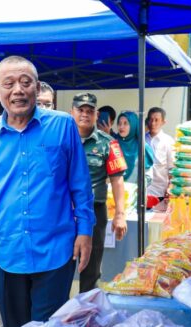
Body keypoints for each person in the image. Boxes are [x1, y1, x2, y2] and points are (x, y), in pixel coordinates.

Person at [0, 56, 95, 327]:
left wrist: (85, 231)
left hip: (56, 250)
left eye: (25, 82)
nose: (18, 90)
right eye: (8, 84)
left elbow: (80, 185)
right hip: (9, 252)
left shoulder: (63, 126)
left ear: (37, 87)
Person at [70, 93, 127, 292]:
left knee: (91, 266)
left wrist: (120, 215)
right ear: (72, 112)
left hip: (95, 210)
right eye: (81, 110)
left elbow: (117, 180)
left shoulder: (108, 142)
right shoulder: (61, 138)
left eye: (90, 111)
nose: (85, 114)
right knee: (62, 263)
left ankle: (87, 312)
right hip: (64, 211)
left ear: (96, 115)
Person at [112, 111, 154, 185]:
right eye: (119, 123)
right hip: (113, 193)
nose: (121, 127)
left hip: (134, 194)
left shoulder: (142, 147)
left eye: (125, 123)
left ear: (133, 125)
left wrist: (141, 185)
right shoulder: (112, 144)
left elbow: (148, 176)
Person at [145, 106, 175, 208]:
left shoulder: (168, 141)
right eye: (151, 119)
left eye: (157, 120)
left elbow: (172, 168)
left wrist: (170, 187)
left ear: (163, 122)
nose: (153, 123)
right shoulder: (141, 139)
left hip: (160, 194)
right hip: (141, 193)